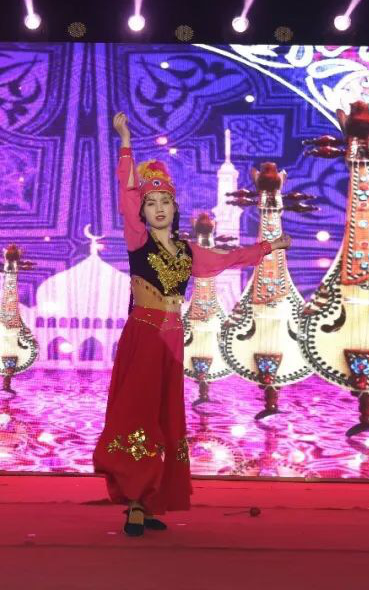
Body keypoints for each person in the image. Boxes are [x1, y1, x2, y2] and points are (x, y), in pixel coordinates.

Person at [93, 111, 292, 537]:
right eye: (151, 203)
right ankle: (133, 500)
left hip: (171, 340)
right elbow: (125, 190)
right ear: (142, 211)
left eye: (164, 202)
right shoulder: (138, 241)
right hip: (143, 335)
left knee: (166, 419)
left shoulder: (187, 252)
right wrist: (125, 140)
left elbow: (229, 259)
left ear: (175, 208)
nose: (158, 208)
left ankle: (150, 500)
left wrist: (270, 245)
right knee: (137, 414)